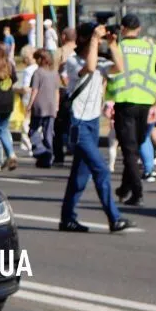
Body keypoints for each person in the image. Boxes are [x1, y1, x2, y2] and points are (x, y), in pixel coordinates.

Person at [59, 23, 133, 233]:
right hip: (78, 124)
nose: (98, 41)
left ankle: (67, 218)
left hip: (92, 123)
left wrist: (112, 43)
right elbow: (89, 68)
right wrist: (93, 39)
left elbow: (119, 67)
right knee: (100, 169)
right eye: (94, 38)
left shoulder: (100, 60)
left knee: (80, 176)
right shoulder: (73, 62)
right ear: (84, 39)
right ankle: (114, 218)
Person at [107, 15, 156, 205]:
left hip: (125, 101)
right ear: (139, 29)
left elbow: (111, 74)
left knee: (129, 150)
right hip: (145, 102)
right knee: (134, 147)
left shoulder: (118, 48)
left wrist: (108, 101)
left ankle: (137, 191)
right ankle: (125, 188)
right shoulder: (151, 49)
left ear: (122, 29)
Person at [29, 49, 61, 168]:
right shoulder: (55, 73)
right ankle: (48, 156)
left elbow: (34, 90)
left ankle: (41, 151)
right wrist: (56, 106)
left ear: (42, 60)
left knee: (33, 130)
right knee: (48, 133)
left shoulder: (37, 73)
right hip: (51, 106)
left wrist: (29, 105)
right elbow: (57, 91)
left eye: (37, 58)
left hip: (39, 106)